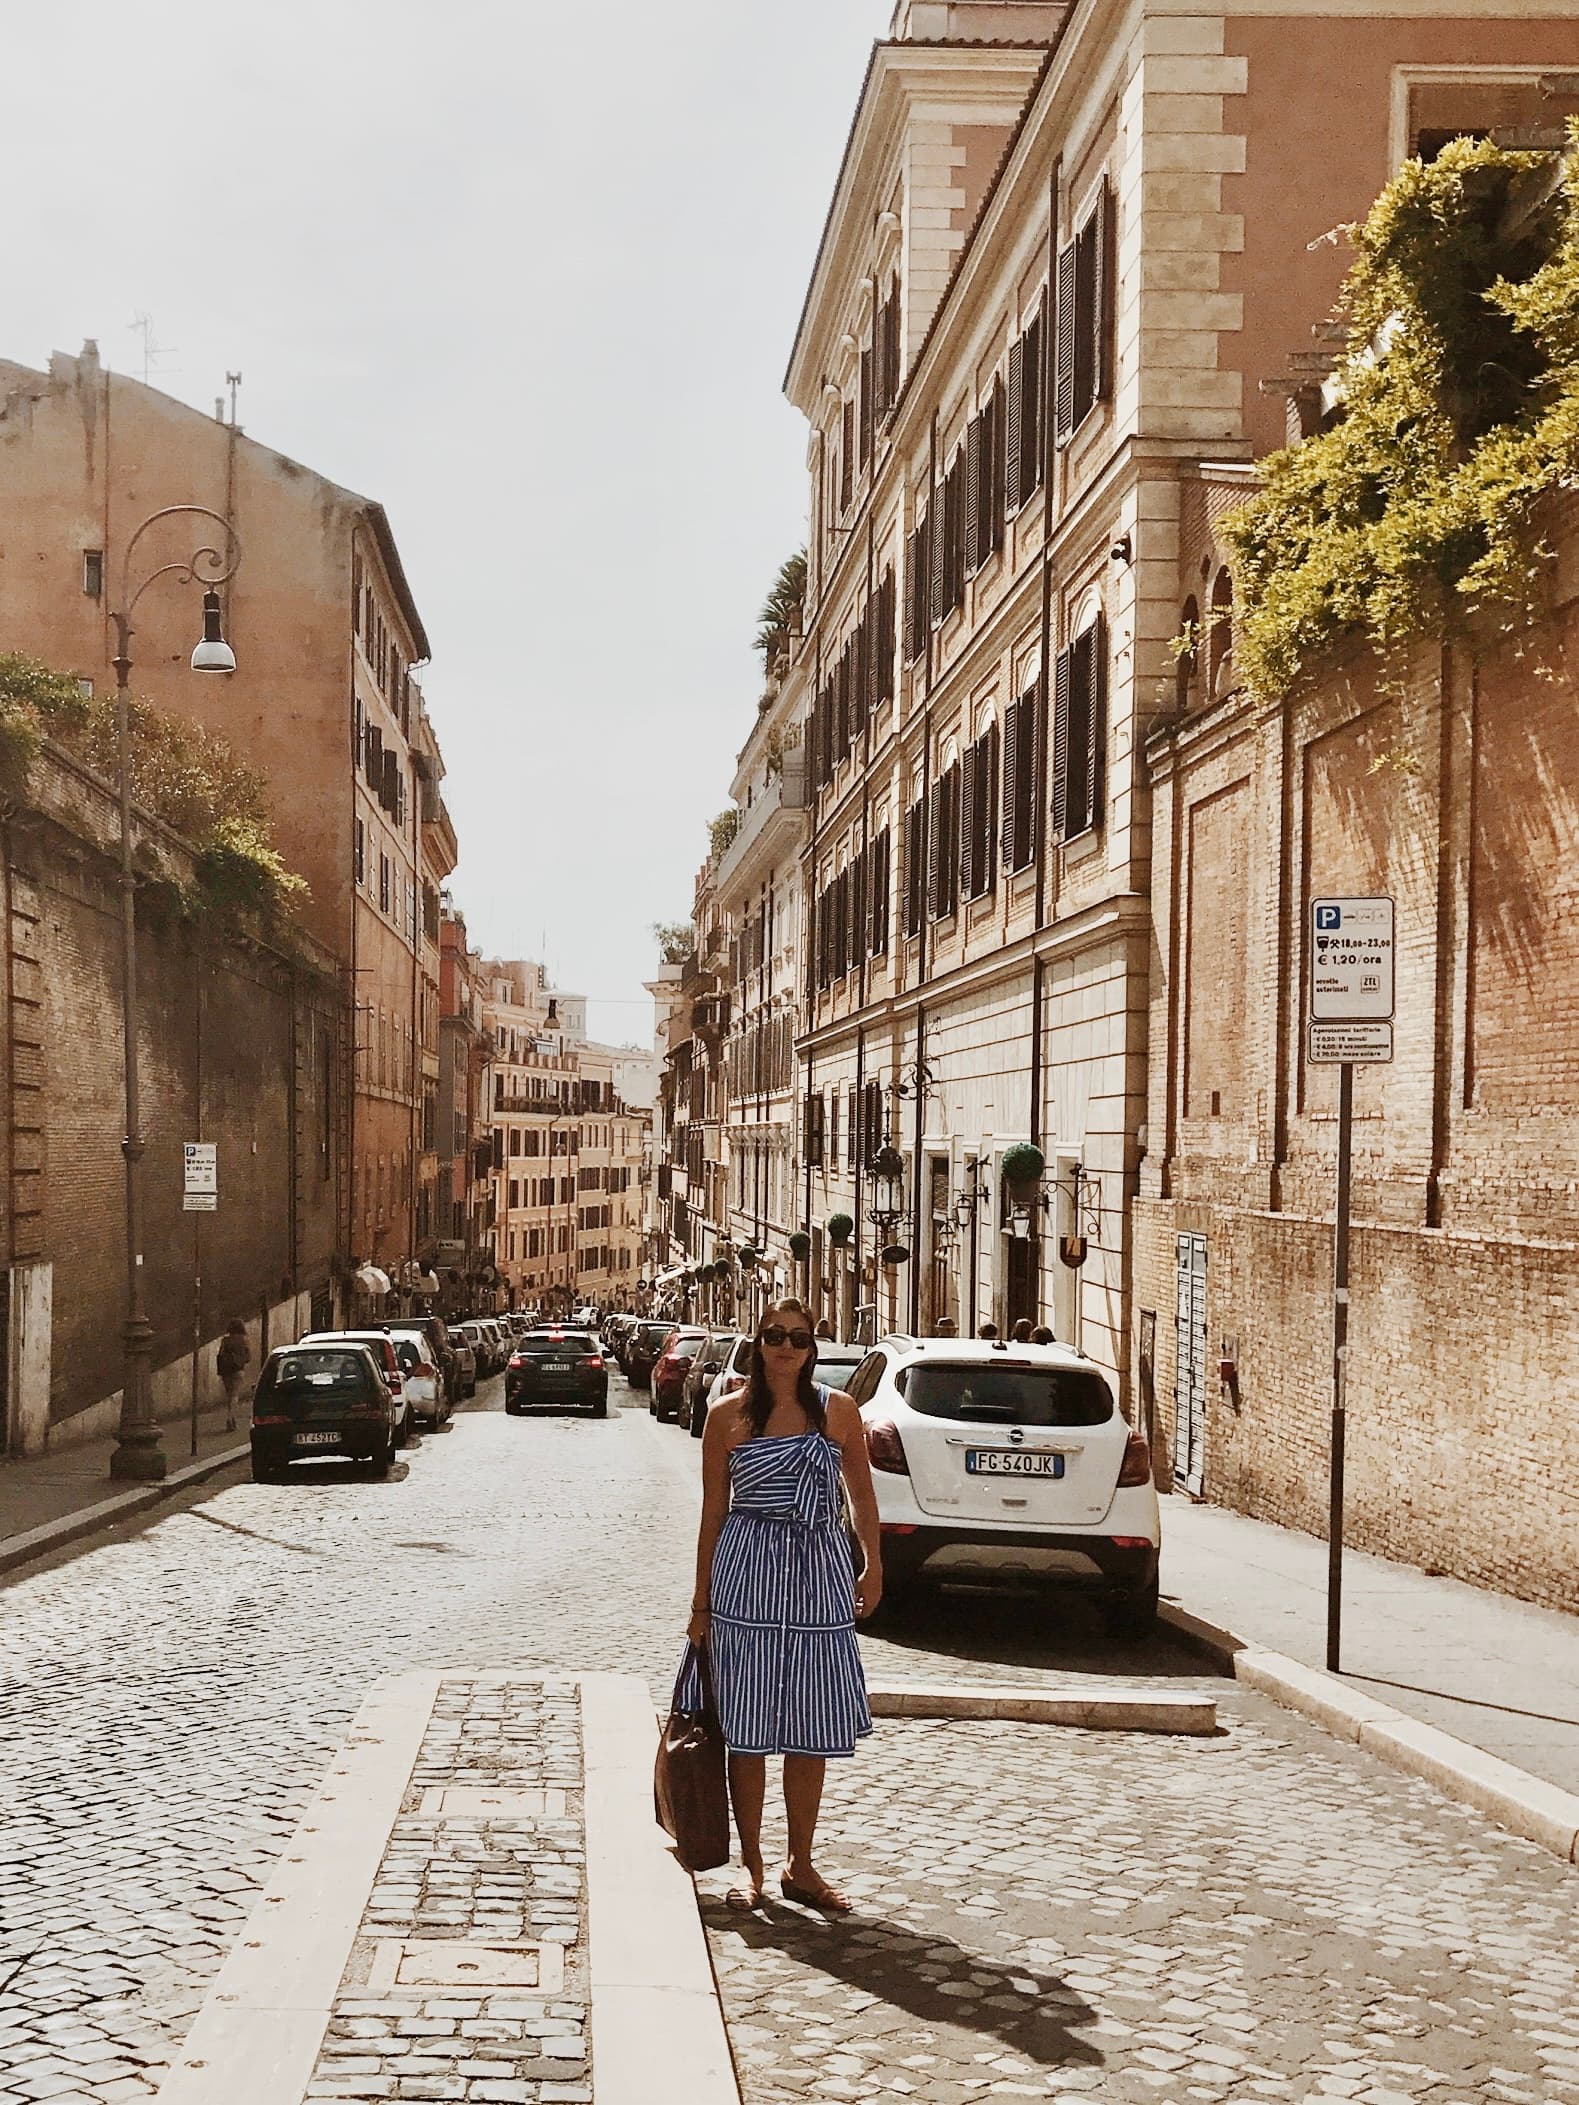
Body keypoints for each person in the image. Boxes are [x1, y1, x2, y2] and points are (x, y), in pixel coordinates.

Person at [685, 1296, 881, 1915]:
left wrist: (874, 1564)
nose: (786, 1347)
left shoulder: (839, 1412)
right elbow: (714, 1513)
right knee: (745, 1731)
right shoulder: (726, 1417)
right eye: (774, 1335)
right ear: (757, 1341)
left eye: (798, 1337)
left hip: (820, 1576)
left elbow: (862, 1496)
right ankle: (754, 1867)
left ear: (811, 1345)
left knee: (810, 1729)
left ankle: (802, 1863)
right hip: (745, 1577)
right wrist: (700, 1602)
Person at [217, 1320, 250, 1429]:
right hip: (238, 1370)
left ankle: (232, 1418)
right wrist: (241, 1360)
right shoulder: (244, 1340)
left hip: (226, 1371)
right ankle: (230, 1418)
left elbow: (220, 1355)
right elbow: (248, 1356)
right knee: (235, 1395)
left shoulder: (225, 1341)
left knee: (229, 1395)